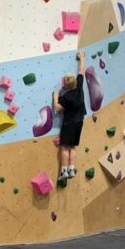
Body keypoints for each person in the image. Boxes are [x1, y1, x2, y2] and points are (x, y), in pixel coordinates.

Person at [53, 52, 86, 180]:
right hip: (79, 122)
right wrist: (82, 57)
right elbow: (81, 70)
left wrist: (55, 97)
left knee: (65, 147)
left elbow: (57, 108)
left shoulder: (65, 97)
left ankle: (64, 171)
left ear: (65, 85)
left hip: (68, 124)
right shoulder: (79, 88)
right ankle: (72, 169)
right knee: (73, 147)